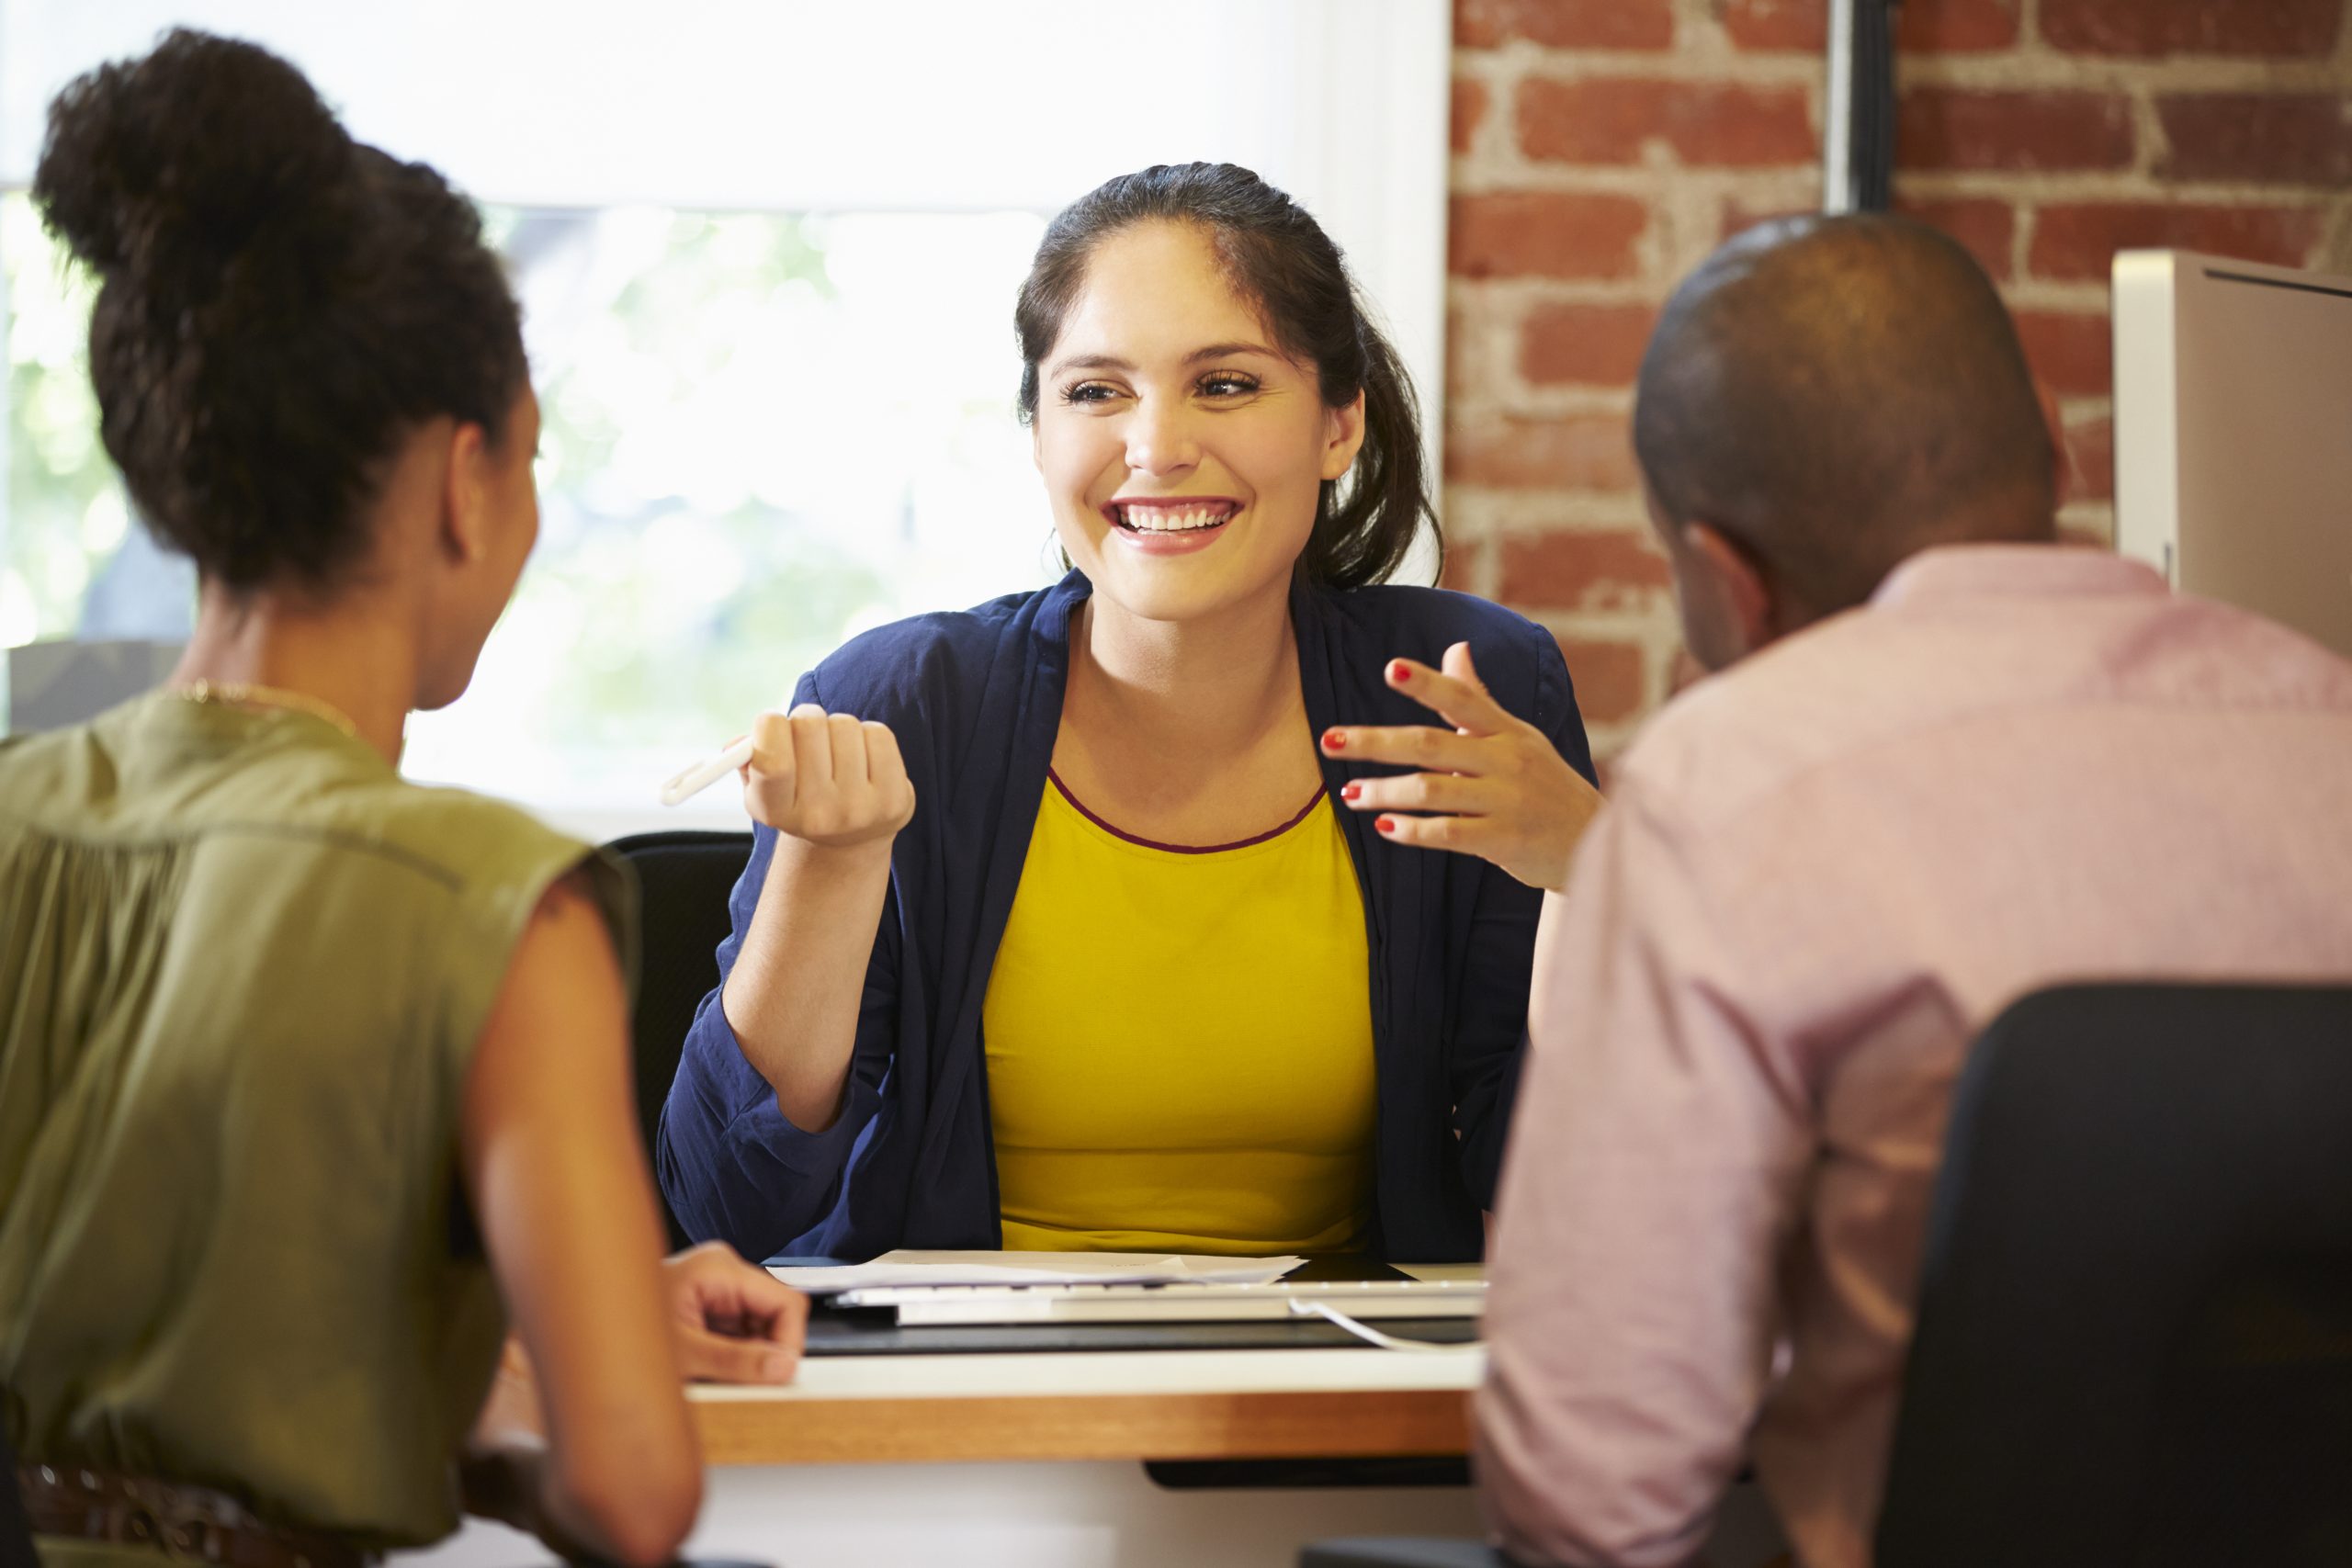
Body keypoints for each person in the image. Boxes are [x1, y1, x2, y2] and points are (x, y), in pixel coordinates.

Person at [0, 32, 805, 1568]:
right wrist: (494, 1403)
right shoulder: (484, 896)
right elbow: (634, 1496)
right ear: (465, 479)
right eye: (533, 455)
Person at [1476, 211, 2352, 1568]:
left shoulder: (1729, 785)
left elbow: (1594, 1493)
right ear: (2058, 444)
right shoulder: (2329, 714)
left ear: (1724, 576)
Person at [661, 164, 1605, 1264]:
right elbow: (727, 1210)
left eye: (1225, 385)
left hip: (1336, 1393)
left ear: (1338, 424)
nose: (1155, 448)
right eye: (1095, 392)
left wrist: (1592, 870)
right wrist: (828, 866)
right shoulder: (897, 703)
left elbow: (1559, 1188)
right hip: (972, 1393)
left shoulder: (1469, 690)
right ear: (1037, 433)